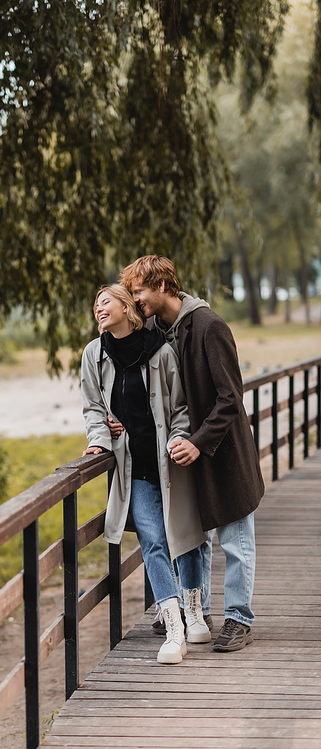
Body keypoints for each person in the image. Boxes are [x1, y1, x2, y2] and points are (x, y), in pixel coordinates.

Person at [114, 255, 264, 652]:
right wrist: (118, 420)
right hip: (183, 455)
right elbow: (133, 379)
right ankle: (199, 612)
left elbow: (231, 398)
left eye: (139, 291)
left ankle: (238, 619)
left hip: (223, 451)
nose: (135, 300)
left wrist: (198, 441)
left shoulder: (210, 326)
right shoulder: (152, 330)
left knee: (235, 537)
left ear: (163, 285)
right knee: (195, 538)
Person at [81, 284, 211, 664]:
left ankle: (195, 612)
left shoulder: (160, 350)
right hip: (133, 466)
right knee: (153, 541)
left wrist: (177, 438)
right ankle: (174, 629)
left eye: (105, 302)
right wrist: (101, 438)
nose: (99, 309)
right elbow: (92, 406)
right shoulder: (94, 354)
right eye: (95, 306)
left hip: (170, 462)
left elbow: (182, 407)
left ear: (126, 306)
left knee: (184, 535)